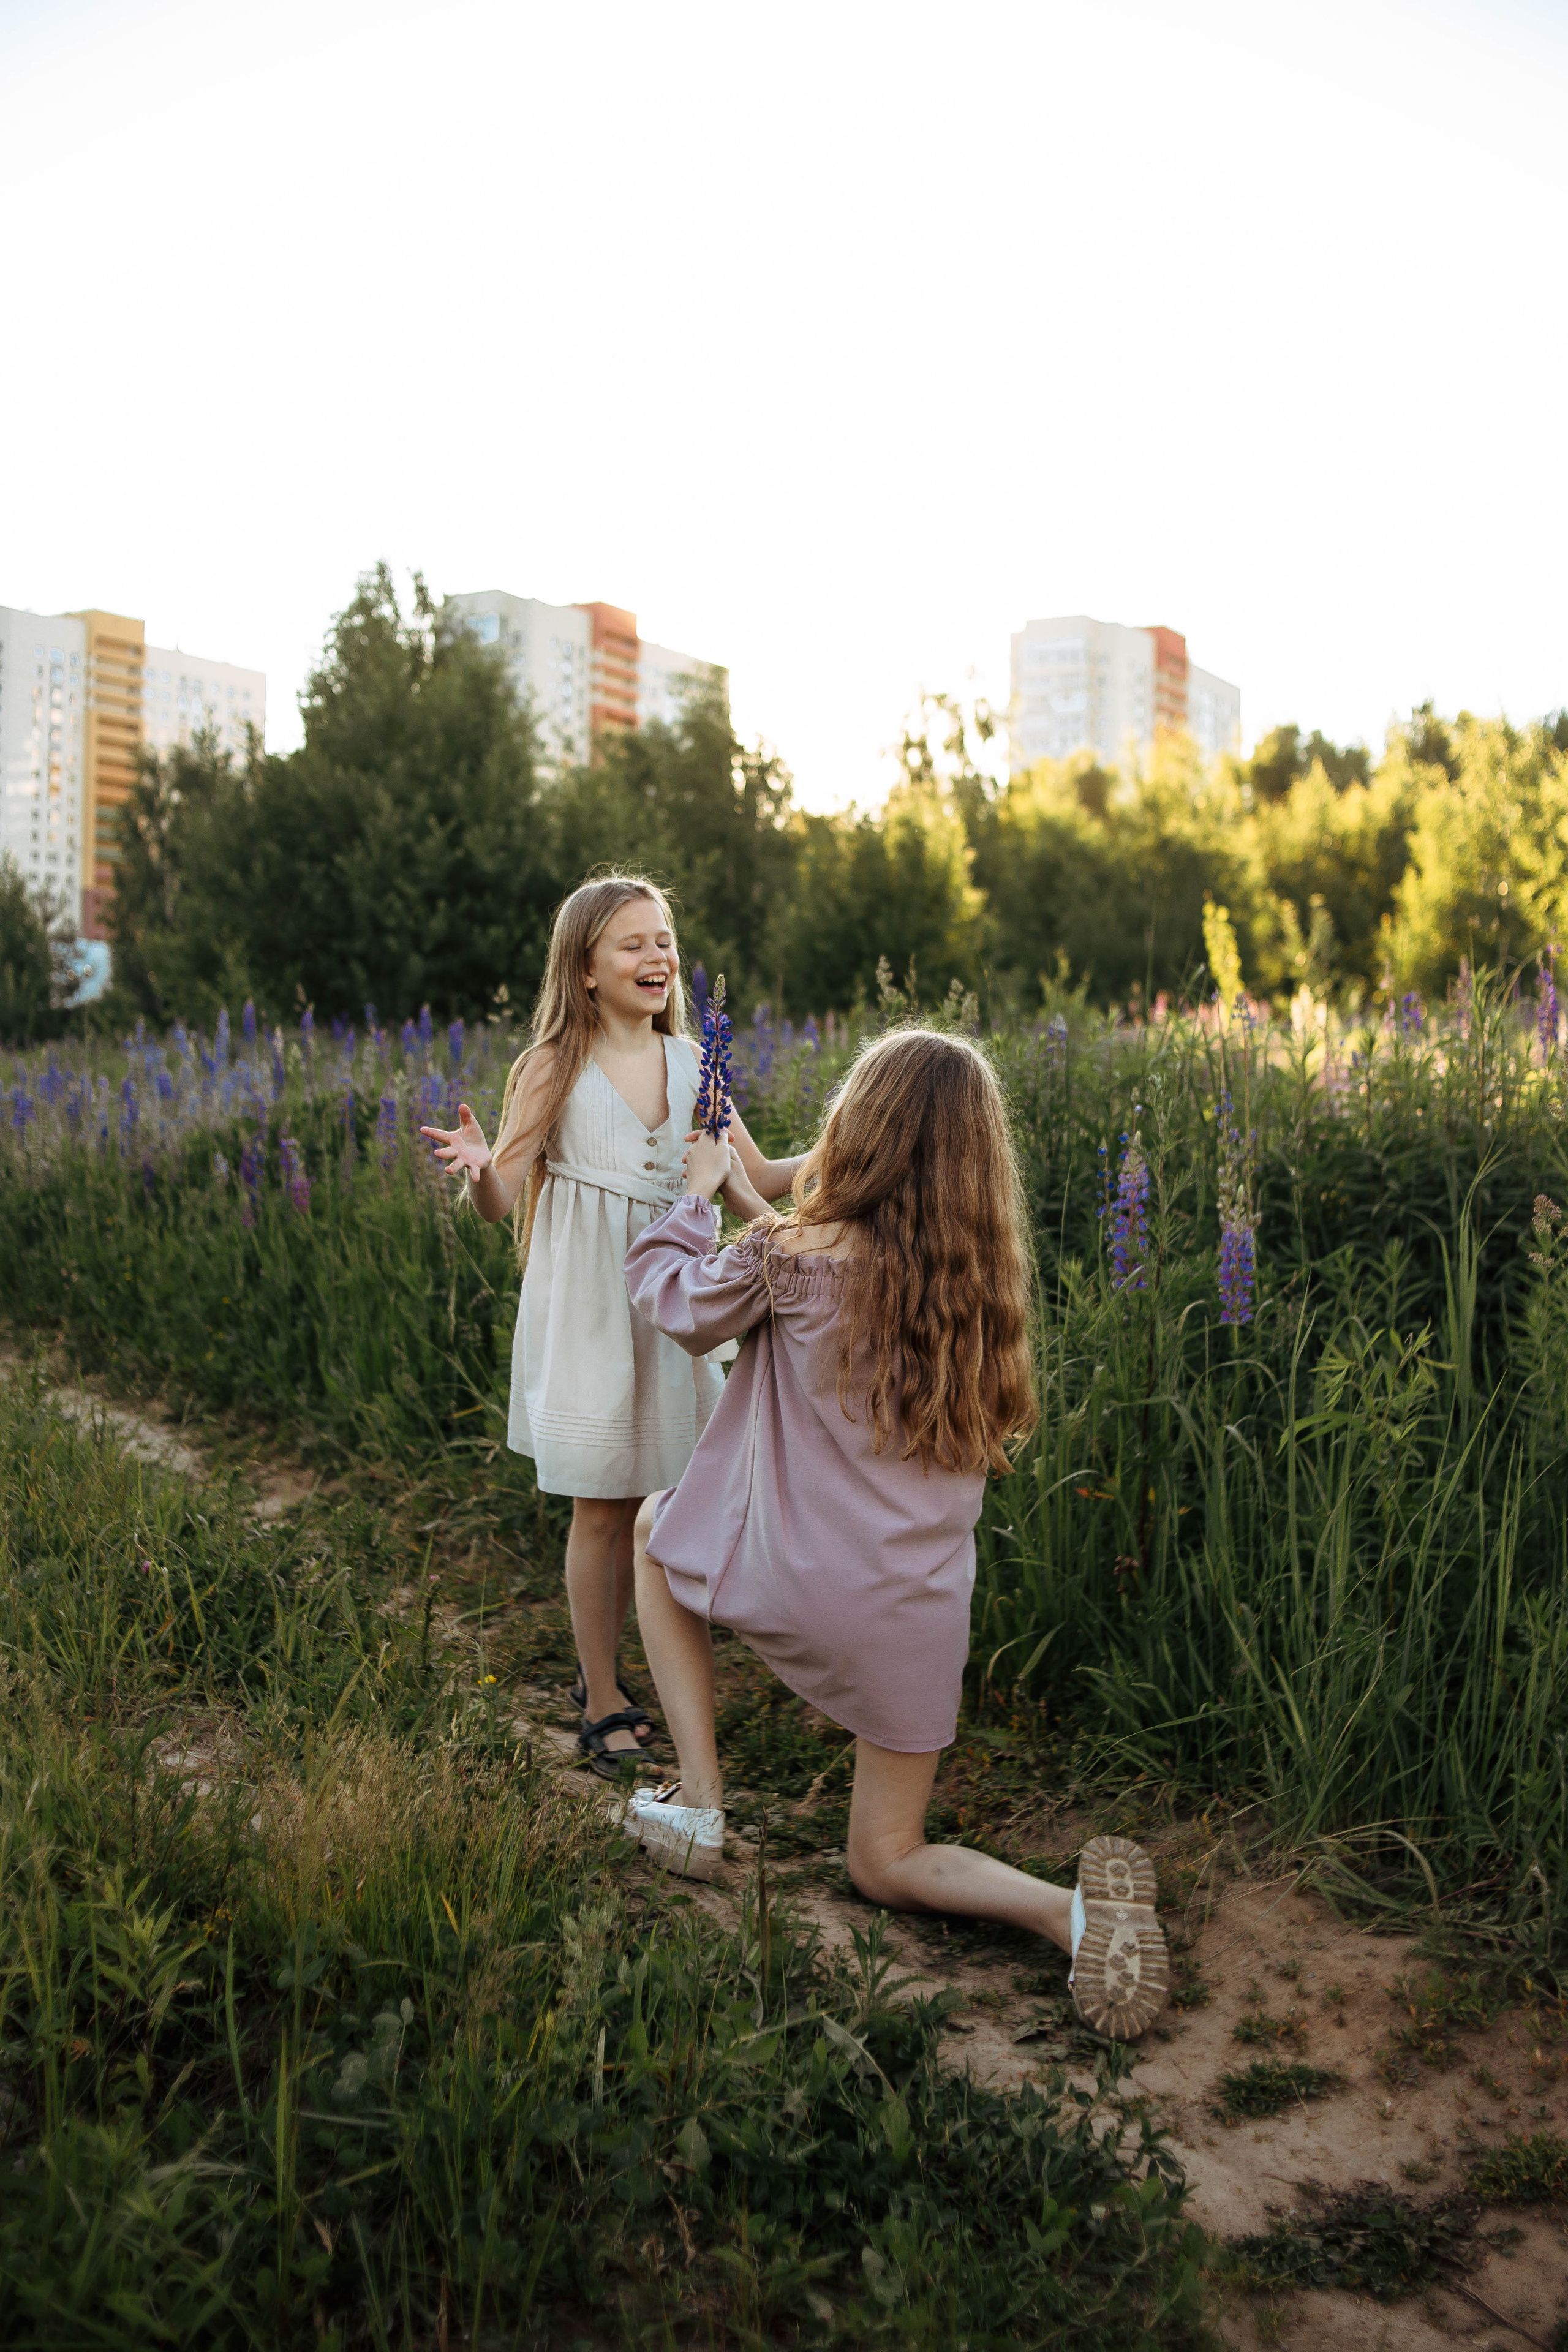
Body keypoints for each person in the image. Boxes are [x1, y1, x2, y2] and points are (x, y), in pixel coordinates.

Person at [619, 1025, 1168, 2041]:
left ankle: (698, 1800)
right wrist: (760, 1209)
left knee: (656, 1530)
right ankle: (1071, 1912)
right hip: (916, 1620)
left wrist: (697, 1195)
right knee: (886, 1859)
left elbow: (680, 1302)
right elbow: (828, 1266)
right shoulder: (976, 1289)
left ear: (856, 1131)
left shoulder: (793, 1257)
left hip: (799, 1584)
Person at [420, 875, 805, 1777]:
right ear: (586, 969)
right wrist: (481, 1169)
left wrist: (859, 1141)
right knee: (603, 1507)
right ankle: (602, 1693)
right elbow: (503, 1197)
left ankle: (680, 1675)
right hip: (593, 1312)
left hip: (673, 1309)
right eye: (632, 943)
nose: (657, 956)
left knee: (672, 1499)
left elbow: (761, 1180)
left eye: (665, 939)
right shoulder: (553, 1064)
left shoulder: (696, 1067)